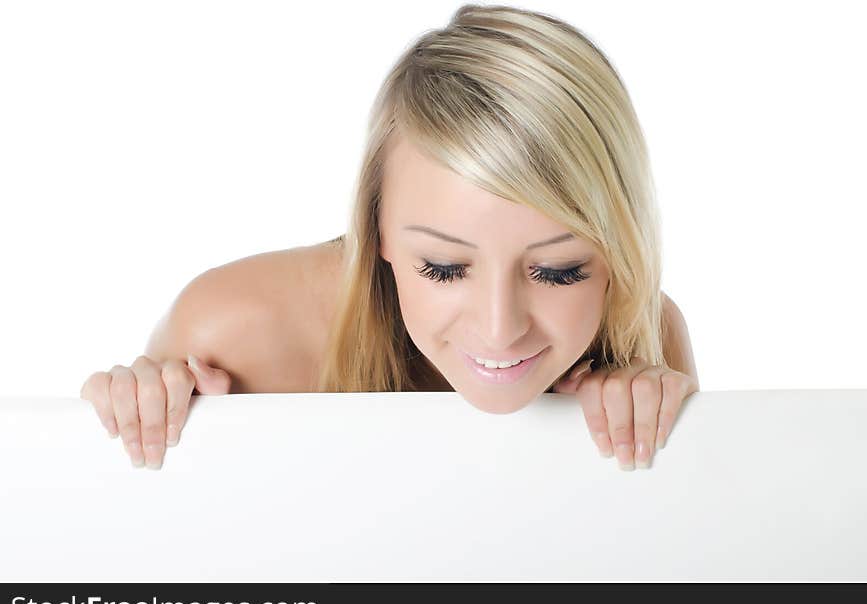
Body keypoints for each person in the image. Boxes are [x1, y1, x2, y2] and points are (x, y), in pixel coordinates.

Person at [81, 4, 699, 474]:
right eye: (443, 266)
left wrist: (655, 441)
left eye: (560, 271)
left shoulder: (641, 333)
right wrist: (138, 411)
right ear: (373, 227)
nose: (500, 327)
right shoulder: (234, 332)